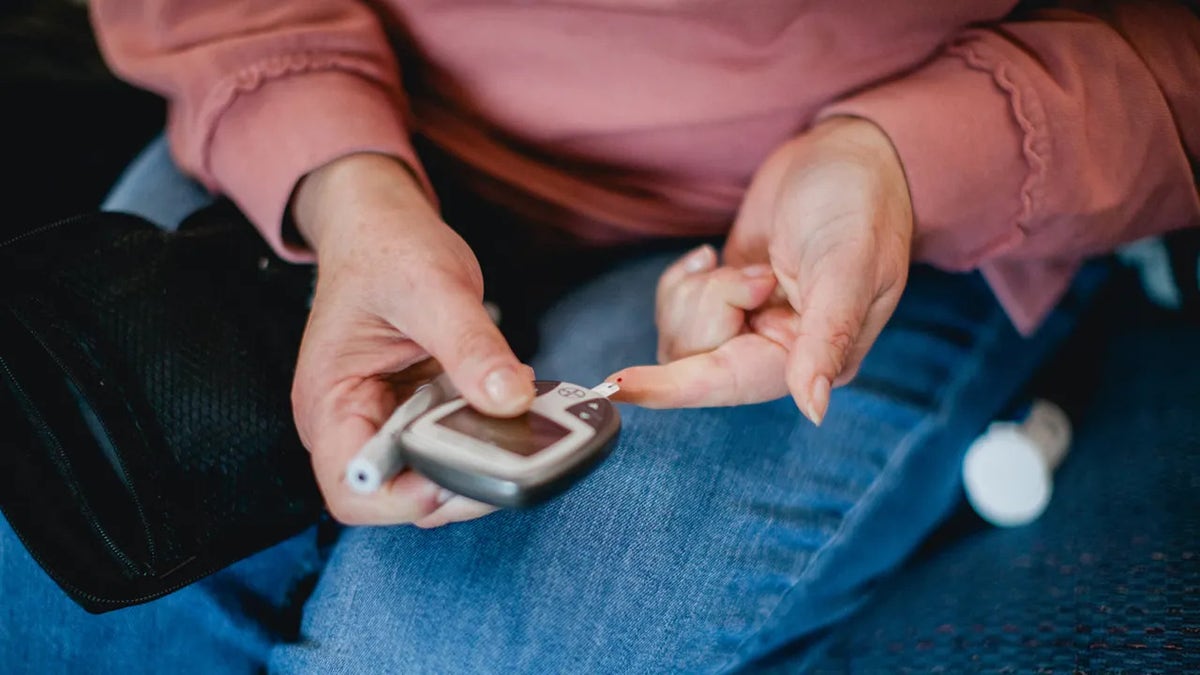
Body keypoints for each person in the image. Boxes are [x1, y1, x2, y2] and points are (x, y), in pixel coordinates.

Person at [3, 1, 1197, 672]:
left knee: (424, 655)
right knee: (67, 588)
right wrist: (342, 184)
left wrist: (919, 155)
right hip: (332, 121)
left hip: (896, 209)